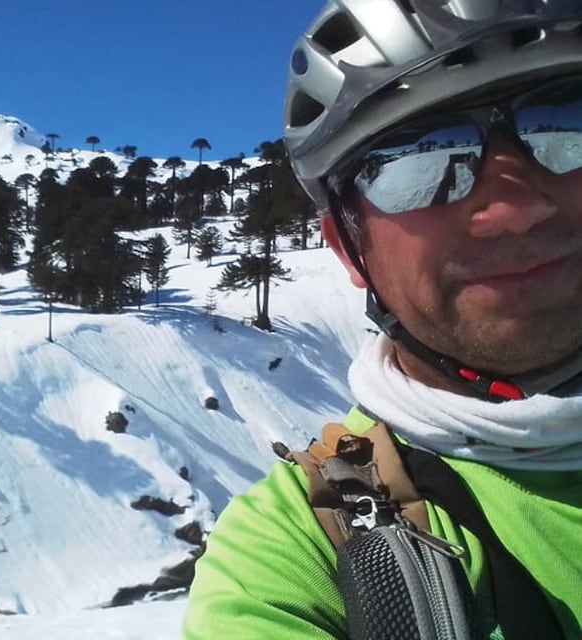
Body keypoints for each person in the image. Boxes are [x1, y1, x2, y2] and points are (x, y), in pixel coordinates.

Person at [182, 1, 582, 638]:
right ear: (348, 247)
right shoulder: (301, 549)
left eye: (564, 126)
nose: (511, 208)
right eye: (415, 163)